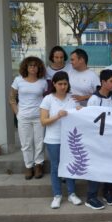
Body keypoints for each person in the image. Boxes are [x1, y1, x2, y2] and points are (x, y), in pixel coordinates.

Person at [40, 71, 82, 209]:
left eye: (65, 83)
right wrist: (57, 116)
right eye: (60, 84)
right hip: (53, 139)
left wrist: (81, 111)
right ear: (54, 84)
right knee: (56, 167)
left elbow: (80, 117)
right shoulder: (48, 99)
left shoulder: (72, 98)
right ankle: (57, 195)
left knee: (70, 166)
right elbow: (43, 121)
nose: (63, 86)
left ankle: (71, 194)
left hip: (70, 139)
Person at [85, 69, 112, 210]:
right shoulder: (93, 99)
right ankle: (91, 197)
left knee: (110, 167)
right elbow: (88, 121)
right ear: (103, 82)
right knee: (95, 168)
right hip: (96, 141)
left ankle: (107, 192)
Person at [9, 56, 47, 180]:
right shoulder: (18, 80)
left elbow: (47, 99)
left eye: (35, 65)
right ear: (26, 67)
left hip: (39, 117)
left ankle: (39, 165)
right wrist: (17, 114)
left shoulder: (43, 82)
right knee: (26, 143)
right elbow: (12, 98)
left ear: (39, 68)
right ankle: (28, 166)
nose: (32, 67)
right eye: (30, 65)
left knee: (39, 142)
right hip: (23, 117)